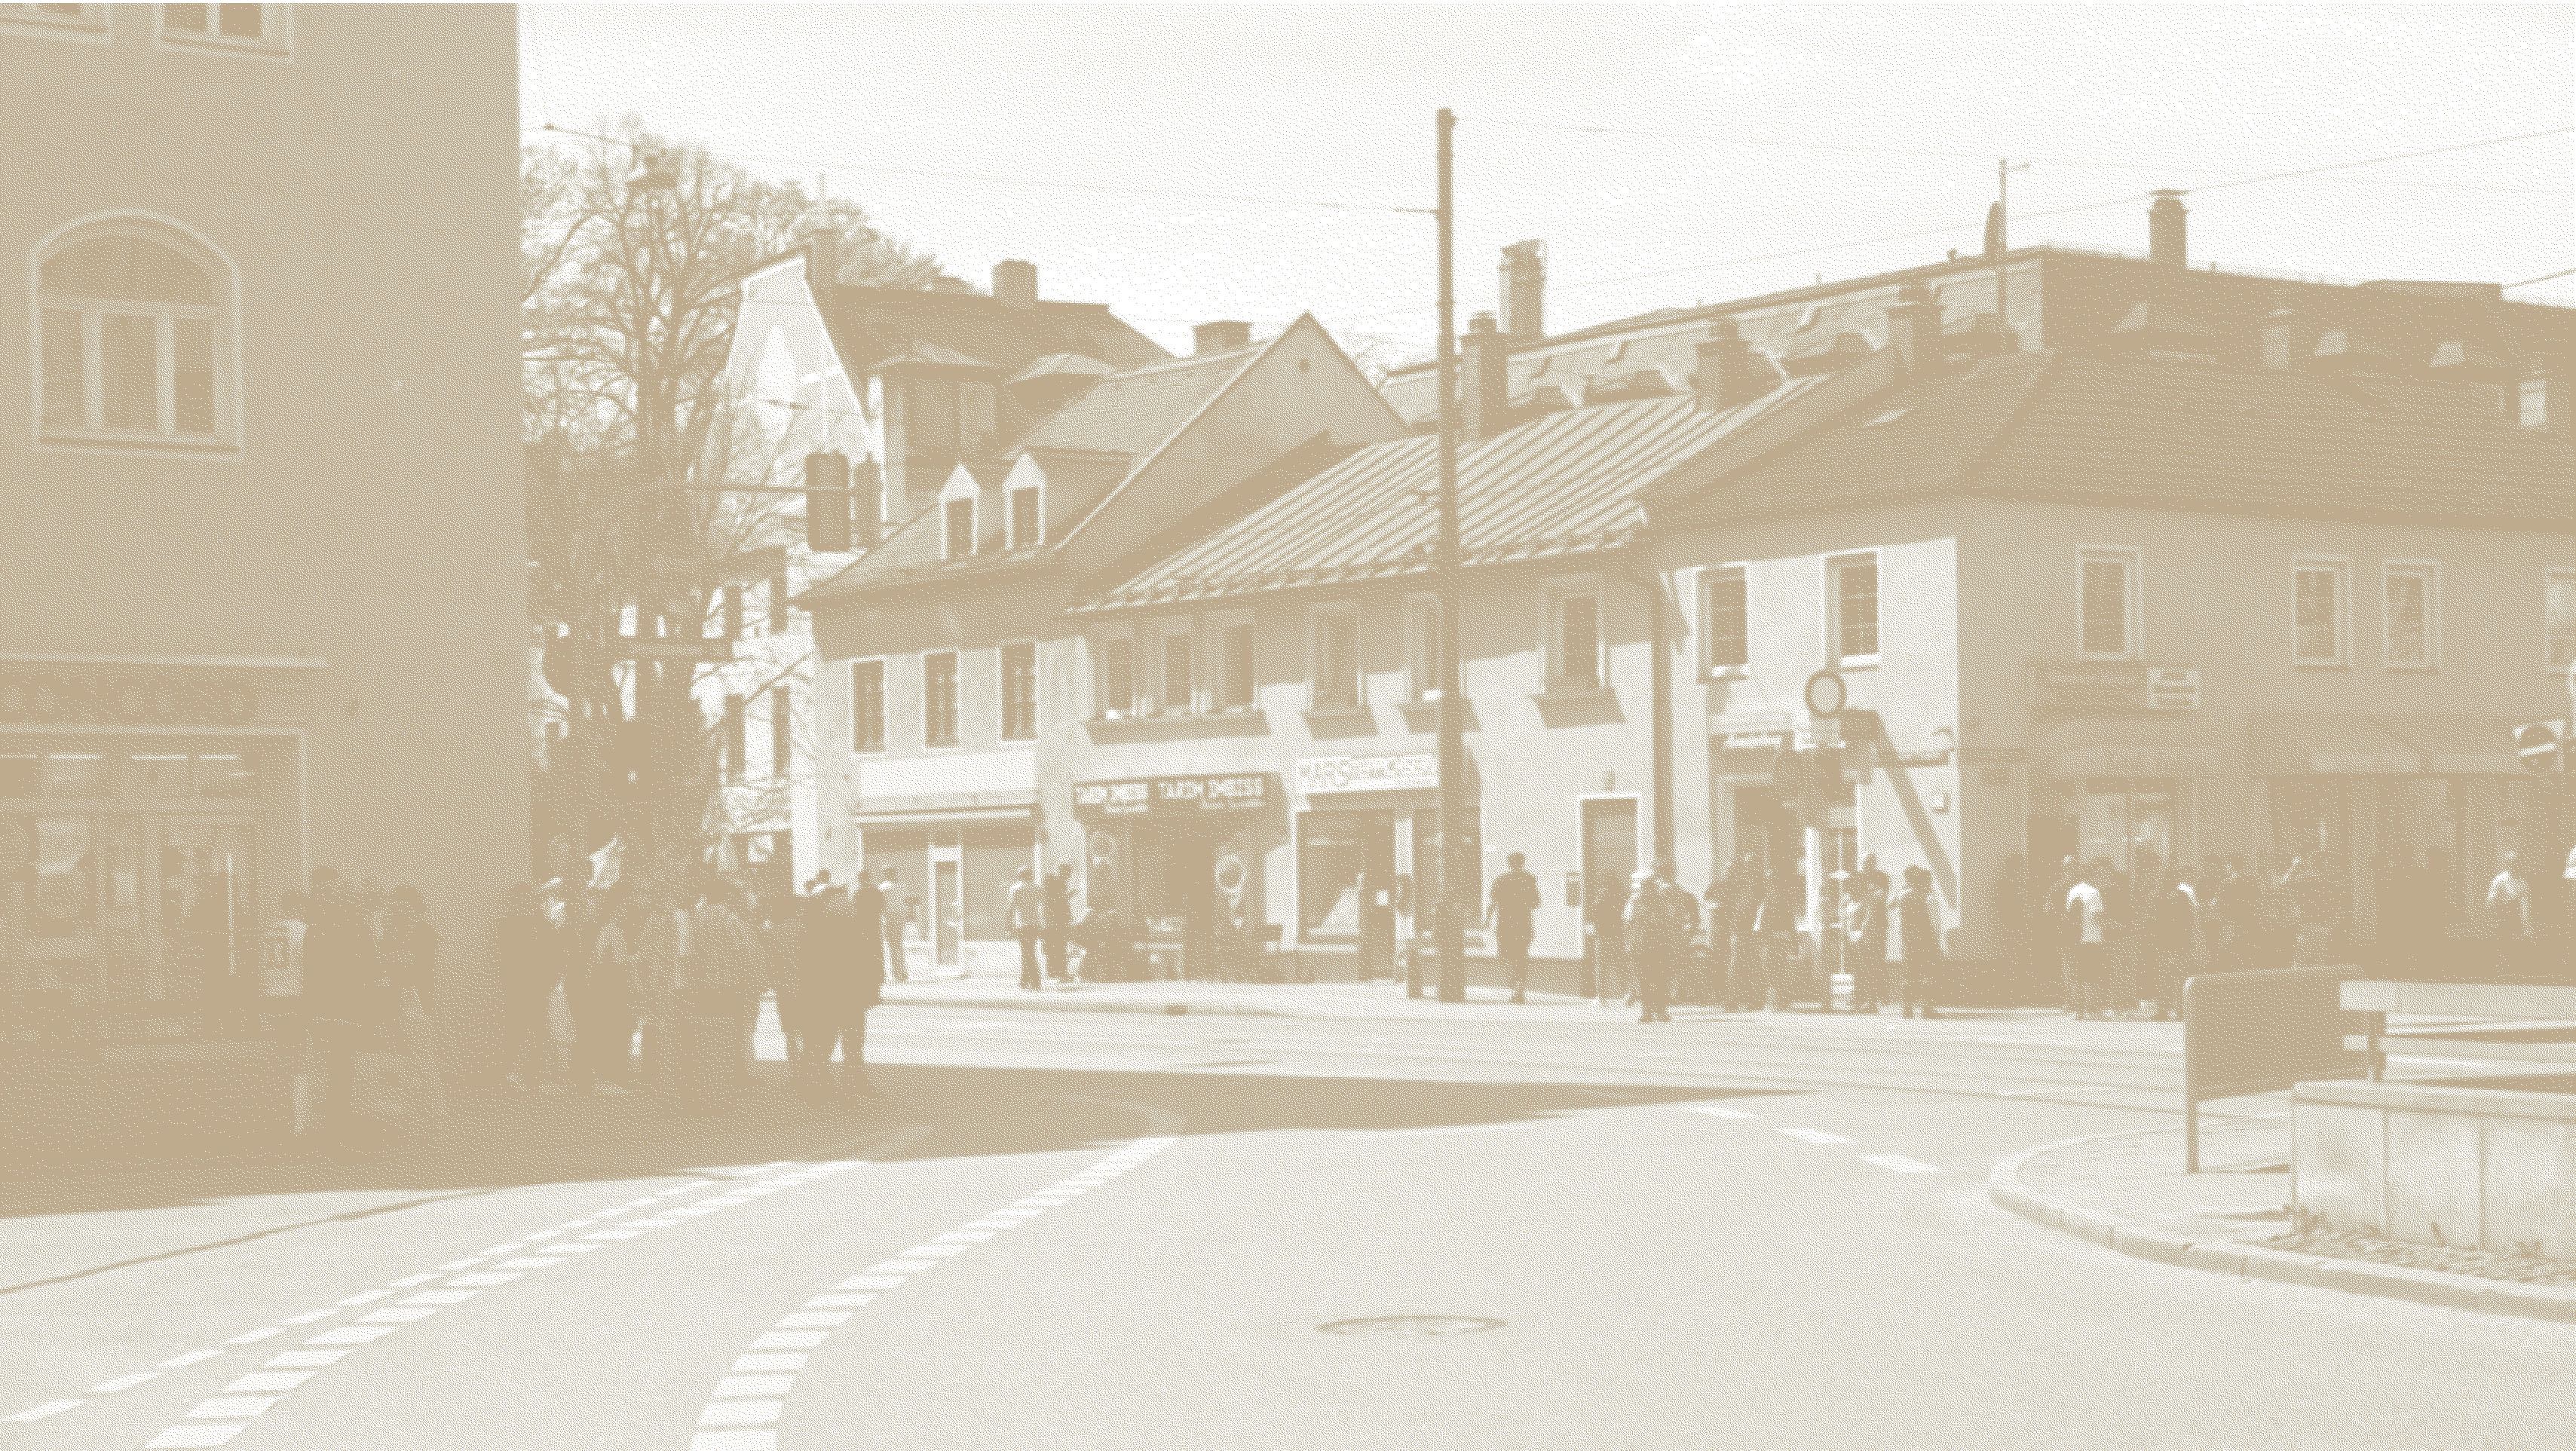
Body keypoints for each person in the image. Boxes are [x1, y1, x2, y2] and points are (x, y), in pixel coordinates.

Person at [801, 883, 884, 1100]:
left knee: (828, 1040)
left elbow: (808, 966)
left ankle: (824, 1083)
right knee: (849, 1041)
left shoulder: (816, 929)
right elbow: (868, 960)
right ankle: (850, 1081)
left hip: (831, 994)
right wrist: (872, 991)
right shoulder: (853, 927)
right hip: (847, 995)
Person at [497, 881, 566, 1092]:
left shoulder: (536, 925)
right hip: (523, 987)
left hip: (531, 987)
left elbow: (555, 955)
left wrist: (549, 981)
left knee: (527, 1030)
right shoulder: (515, 925)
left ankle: (525, 1073)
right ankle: (519, 1073)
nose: (525, 904)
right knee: (522, 1030)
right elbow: (503, 959)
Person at [587, 892, 645, 1091]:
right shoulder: (611, 931)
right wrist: (634, 960)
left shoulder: (612, 930)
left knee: (615, 1028)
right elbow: (610, 961)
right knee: (614, 1028)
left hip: (612, 984)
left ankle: (614, 1071)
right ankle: (611, 1073)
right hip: (612, 986)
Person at [1622, 868, 1680, 1024]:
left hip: (1642, 946)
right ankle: (1659, 1011)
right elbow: (1672, 921)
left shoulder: (1635, 901)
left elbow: (1627, 922)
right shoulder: (1661, 901)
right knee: (1658, 979)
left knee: (1645, 980)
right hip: (1656, 946)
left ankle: (1648, 1012)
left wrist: (1628, 944)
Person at [1487, 853, 1541, 1004]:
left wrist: (1487, 920)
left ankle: (1517, 988)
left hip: (1505, 924)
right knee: (1521, 956)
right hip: (1523, 923)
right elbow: (1536, 903)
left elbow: (1493, 902)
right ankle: (1518, 987)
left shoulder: (1501, 880)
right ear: (1522, 863)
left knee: (1509, 956)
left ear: (1509, 863)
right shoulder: (1529, 879)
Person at [2143, 869, 2197, 1020]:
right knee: (2176, 977)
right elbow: (2190, 921)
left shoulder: (2164, 897)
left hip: (2168, 944)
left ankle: (2167, 1010)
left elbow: (2154, 921)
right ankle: (2178, 1010)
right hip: (2178, 944)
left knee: (2167, 977)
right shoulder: (2181, 897)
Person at [2063, 861, 2113, 1020]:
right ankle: (2091, 1009)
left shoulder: (2073, 891)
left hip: (2075, 938)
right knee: (2092, 975)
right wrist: (2112, 923)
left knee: (2078, 975)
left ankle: (2078, 1009)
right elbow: (2098, 916)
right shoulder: (2094, 893)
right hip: (2092, 938)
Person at [1893, 865, 1943, 1019]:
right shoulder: (1928, 897)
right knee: (1927, 974)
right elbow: (1935, 923)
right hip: (1926, 939)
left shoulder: (1903, 896)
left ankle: (1907, 1008)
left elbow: (1892, 906)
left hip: (1908, 940)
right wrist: (1938, 942)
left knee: (1909, 974)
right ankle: (1927, 1007)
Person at [1753, 867, 1801, 1011]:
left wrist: (1793, 941)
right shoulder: (1773, 902)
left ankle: (1779, 1001)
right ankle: (1776, 1001)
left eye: (1773, 882)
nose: (1772, 886)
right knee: (1774, 972)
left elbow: (1791, 924)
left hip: (1775, 942)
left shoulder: (1772, 902)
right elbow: (1761, 926)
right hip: (1774, 942)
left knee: (1776, 971)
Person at [1720, 853, 1763, 1012]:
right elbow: (1712, 898)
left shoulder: (1754, 885)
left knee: (1747, 966)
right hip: (1739, 931)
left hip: (1747, 932)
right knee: (1740, 966)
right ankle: (1734, 1001)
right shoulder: (1736, 886)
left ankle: (1745, 1001)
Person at [1842, 865, 1888, 1013]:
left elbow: (1869, 919)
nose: (1849, 887)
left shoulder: (1869, 898)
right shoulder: (1851, 899)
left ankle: (1871, 1001)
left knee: (1869, 970)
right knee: (1858, 971)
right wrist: (1848, 934)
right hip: (1853, 940)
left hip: (1866, 940)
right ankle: (1859, 997)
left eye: (1852, 884)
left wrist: (1860, 935)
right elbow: (1846, 918)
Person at [2489, 852, 2538, 979]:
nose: (2514, 865)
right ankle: (2501, 975)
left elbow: (2525, 908)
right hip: (2502, 920)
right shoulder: (2499, 881)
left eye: (2517, 863)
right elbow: (2489, 902)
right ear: (2507, 864)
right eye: (2511, 863)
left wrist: (2527, 926)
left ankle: (2516, 974)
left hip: (2516, 922)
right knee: (2503, 950)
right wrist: (2502, 902)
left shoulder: (2523, 884)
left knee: (2517, 951)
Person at [1586, 879, 1628, 1008]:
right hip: (1617, 936)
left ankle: (1602, 998)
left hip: (1602, 936)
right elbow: (1624, 917)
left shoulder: (1601, 897)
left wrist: (1592, 927)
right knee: (1620, 965)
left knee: (1602, 967)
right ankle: (1627, 994)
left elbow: (1594, 915)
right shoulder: (1621, 897)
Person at [1008, 866, 1045, 990]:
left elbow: (1011, 908)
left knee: (1027, 953)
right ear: (1030, 875)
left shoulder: (1016, 889)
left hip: (1022, 925)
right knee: (1030, 952)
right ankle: (1024, 981)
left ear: (1020, 876)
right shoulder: (1037, 888)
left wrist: (1008, 926)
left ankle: (1035, 981)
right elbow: (1043, 905)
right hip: (1035, 924)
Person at [1042, 863, 1074, 981]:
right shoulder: (1057, 883)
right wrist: (1069, 896)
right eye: (1068, 873)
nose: (1069, 876)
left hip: (1052, 919)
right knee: (1060, 946)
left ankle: (1053, 971)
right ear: (1063, 872)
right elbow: (1058, 901)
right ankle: (1061, 973)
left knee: (1053, 945)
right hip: (1058, 920)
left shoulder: (1052, 881)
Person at [878, 866, 909, 983]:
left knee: (892, 946)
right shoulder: (902, 886)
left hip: (889, 917)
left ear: (886, 874)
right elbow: (905, 901)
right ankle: (902, 971)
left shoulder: (883, 887)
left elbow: (881, 904)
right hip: (901, 916)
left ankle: (897, 973)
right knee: (899, 945)